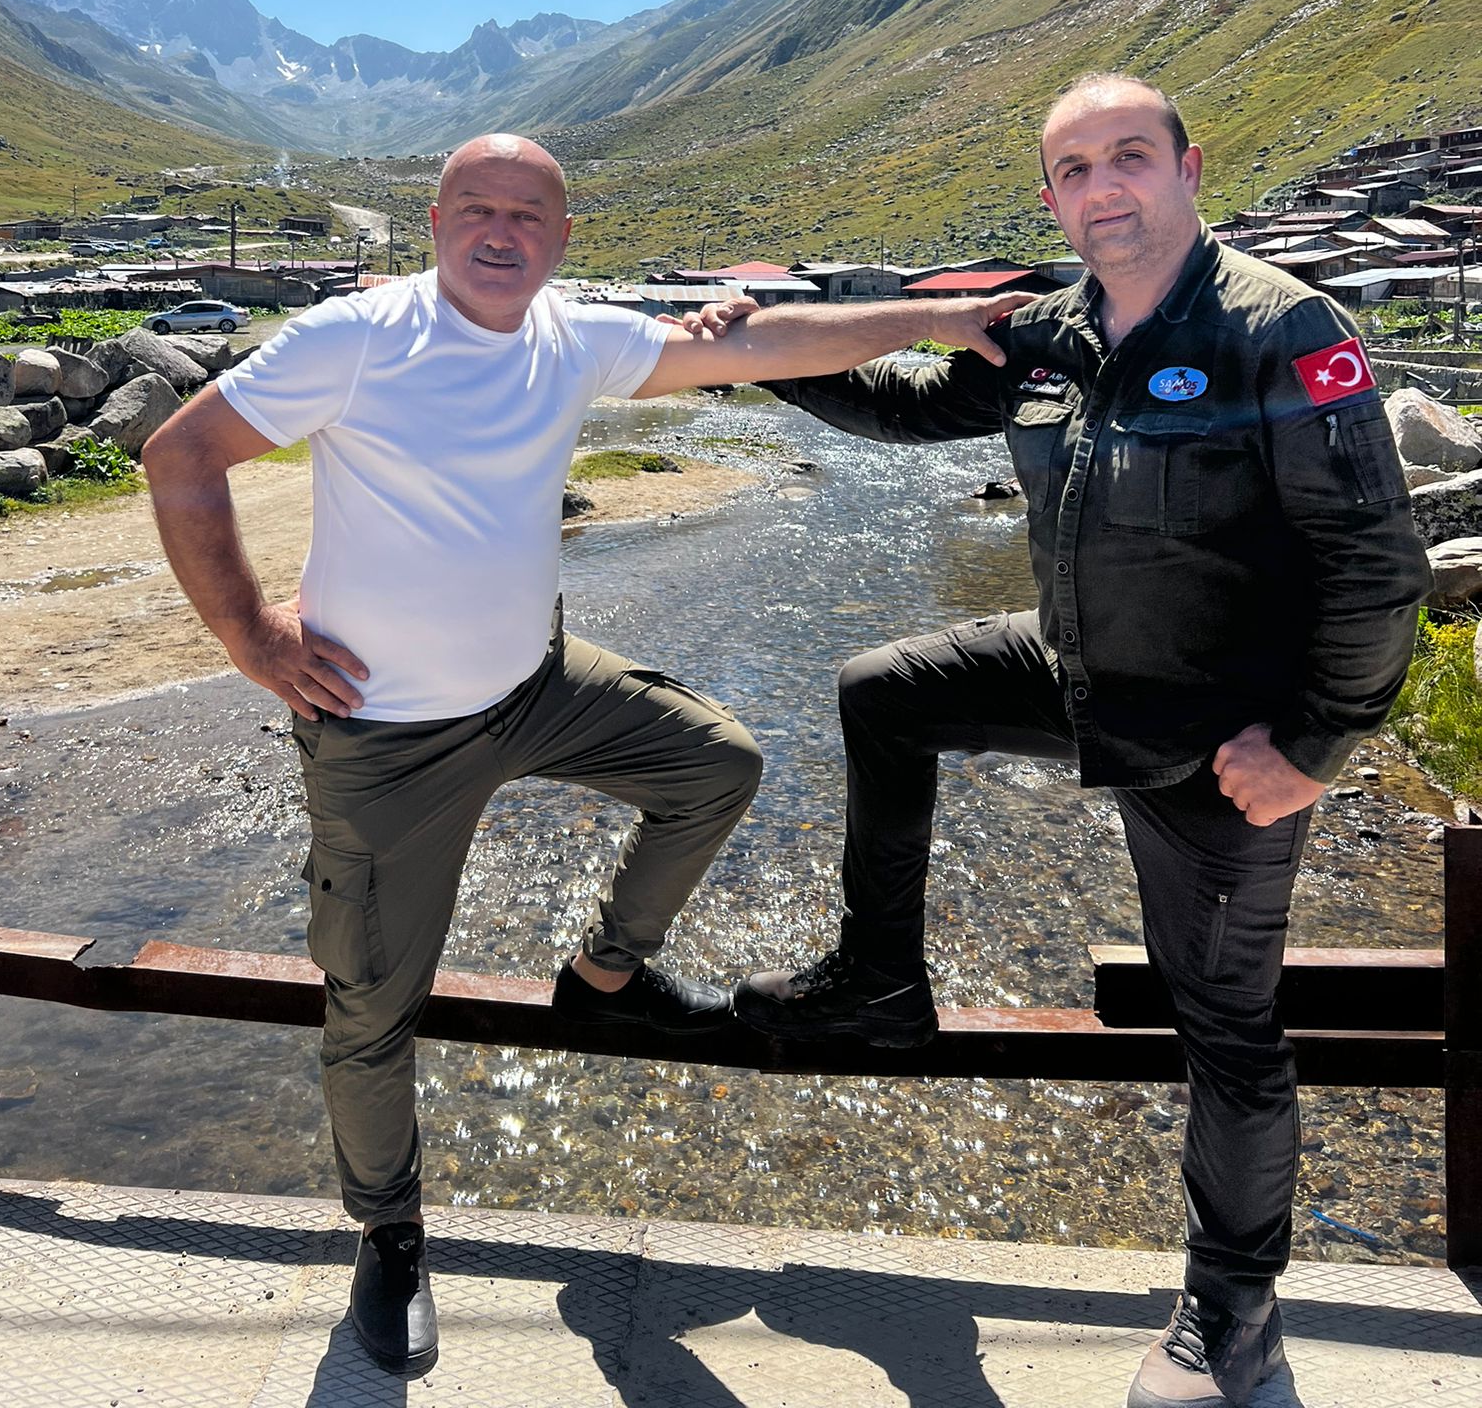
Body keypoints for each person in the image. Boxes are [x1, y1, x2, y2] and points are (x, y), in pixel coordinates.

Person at [141, 131, 1031, 1380]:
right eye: (477, 208)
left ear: (562, 239)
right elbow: (181, 453)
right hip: (386, 736)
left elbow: (758, 346)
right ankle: (390, 1233)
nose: (501, 232)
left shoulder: (571, 336)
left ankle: (606, 971)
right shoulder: (358, 337)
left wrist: (934, 320)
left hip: (537, 686)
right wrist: (249, 632)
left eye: (529, 214)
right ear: (435, 220)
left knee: (715, 765)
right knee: (373, 1003)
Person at [720, 78, 1429, 1408]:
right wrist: (757, 354)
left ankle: (1234, 1311)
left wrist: (1315, 745)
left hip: (1221, 735)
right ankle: (879, 982)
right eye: (1076, 169)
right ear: (1052, 199)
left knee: (1225, 1023)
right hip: (1077, 670)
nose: (1106, 188)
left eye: (1130, 157)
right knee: (885, 692)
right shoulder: (1046, 331)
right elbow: (905, 407)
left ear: (1187, 169)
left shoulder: (1283, 329)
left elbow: (1377, 563)